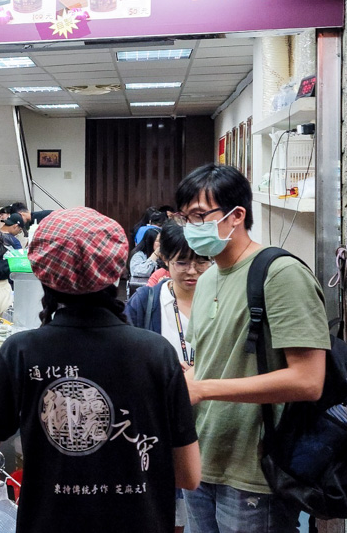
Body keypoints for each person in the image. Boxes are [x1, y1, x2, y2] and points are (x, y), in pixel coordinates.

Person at [0, 208, 200, 532]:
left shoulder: (22, 352)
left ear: (45, 274)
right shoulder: (158, 354)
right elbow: (189, 475)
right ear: (114, 270)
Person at [174, 164, 328, 533]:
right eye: (185, 218)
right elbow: (210, 362)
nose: (191, 227)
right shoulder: (209, 277)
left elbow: (308, 380)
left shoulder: (280, 274)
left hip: (254, 469)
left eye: (199, 216)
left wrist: (202, 388)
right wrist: (179, 383)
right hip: (203, 458)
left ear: (236, 215)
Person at [125, 221, 212, 533]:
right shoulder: (145, 303)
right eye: (182, 262)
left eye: (201, 261)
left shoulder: (223, 301)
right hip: (160, 427)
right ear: (165, 260)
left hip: (213, 422)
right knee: (165, 512)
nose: (192, 271)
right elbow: (126, 360)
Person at [128, 226, 162, 295]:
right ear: (150, 241)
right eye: (158, 241)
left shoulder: (163, 255)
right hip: (141, 291)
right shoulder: (138, 255)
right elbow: (142, 272)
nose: (161, 244)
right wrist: (155, 254)